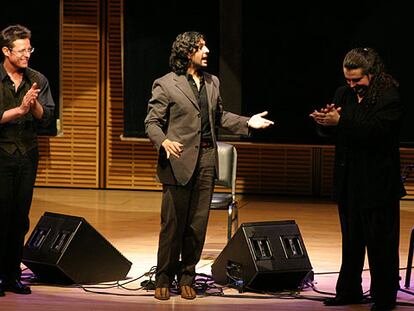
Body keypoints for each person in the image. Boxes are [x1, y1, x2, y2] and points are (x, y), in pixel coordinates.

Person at [144, 31, 273, 300]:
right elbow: (151, 123)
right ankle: (164, 277)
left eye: (205, 47)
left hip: (206, 160)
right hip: (177, 161)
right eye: (201, 48)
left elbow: (219, 116)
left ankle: (187, 276)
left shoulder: (212, 82)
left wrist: (248, 122)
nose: (207, 52)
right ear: (186, 52)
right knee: (173, 225)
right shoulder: (166, 84)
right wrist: (164, 141)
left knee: (196, 225)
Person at [309, 47, 406, 311]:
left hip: (378, 182)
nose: (352, 85)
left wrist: (340, 122)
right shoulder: (344, 93)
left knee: (381, 244)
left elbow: (376, 133)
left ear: (372, 73)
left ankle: (384, 297)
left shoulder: (388, 96)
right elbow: (341, 132)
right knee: (351, 241)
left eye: (357, 80)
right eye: (348, 79)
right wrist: (324, 123)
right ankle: (349, 291)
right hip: (350, 179)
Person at [0, 24, 55, 296]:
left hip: (27, 156)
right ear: (6, 51)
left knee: (20, 218)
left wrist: (33, 106)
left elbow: (46, 118)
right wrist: (19, 109)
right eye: (22, 50)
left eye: (29, 49)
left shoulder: (38, 79)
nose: (27, 55)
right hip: (1, 155)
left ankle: (11, 275)